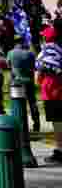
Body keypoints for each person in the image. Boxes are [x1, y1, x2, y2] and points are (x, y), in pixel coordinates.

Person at [34, 25, 62, 163]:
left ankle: (59, 151)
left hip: (51, 93)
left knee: (58, 124)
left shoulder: (46, 53)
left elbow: (38, 77)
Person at [7, 35, 40, 134]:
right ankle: (36, 123)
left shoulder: (11, 53)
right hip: (28, 80)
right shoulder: (30, 54)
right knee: (32, 103)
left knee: (16, 103)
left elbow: (8, 65)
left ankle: (18, 123)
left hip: (16, 82)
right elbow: (34, 67)